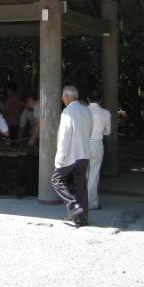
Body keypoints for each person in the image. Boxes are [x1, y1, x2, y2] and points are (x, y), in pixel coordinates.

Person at [51, 85, 93, 226]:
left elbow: (64, 135)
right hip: (85, 152)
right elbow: (90, 130)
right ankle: (83, 217)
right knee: (81, 183)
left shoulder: (68, 111)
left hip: (72, 153)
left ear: (67, 97)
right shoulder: (86, 110)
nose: (63, 100)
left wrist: (61, 155)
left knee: (56, 179)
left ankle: (72, 205)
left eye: (63, 98)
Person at [86, 89, 111, 210]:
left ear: (88, 99)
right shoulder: (105, 113)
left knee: (83, 173)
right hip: (97, 143)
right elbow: (108, 132)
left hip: (83, 143)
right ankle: (92, 203)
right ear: (101, 100)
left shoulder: (83, 111)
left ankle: (82, 200)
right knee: (94, 173)